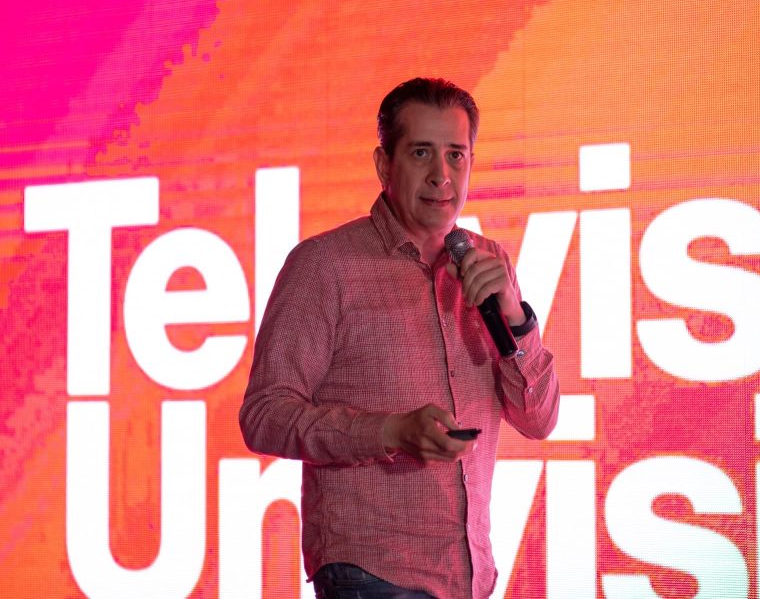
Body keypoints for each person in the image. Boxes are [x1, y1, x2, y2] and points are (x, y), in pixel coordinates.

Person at [239, 77, 560, 599]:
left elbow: (538, 419)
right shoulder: (325, 265)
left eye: (456, 155)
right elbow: (263, 416)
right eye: (421, 152)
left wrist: (514, 315)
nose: (441, 175)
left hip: (469, 575)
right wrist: (389, 432)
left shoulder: (489, 263)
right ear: (384, 165)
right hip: (370, 571)